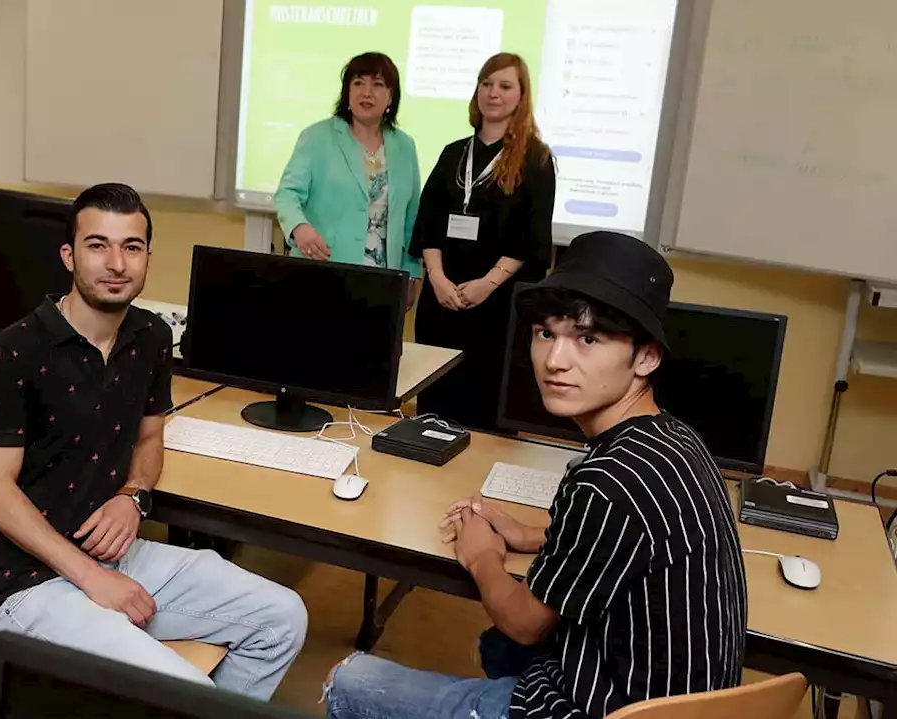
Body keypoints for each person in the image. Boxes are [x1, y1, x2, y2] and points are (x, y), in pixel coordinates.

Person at [323, 232, 748, 719]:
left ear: (647, 357)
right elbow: (634, 538)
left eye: (589, 339)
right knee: (495, 648)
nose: (554, 360)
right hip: (677, 702)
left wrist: (483, 556)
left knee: (352, 681)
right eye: (546, 333)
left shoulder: (606, 482)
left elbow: (527, 623)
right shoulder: (672, 438)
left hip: (602, 710)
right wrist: (530, 534)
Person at [0, 183, 308, 700]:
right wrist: (90, 578)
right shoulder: (14, 351)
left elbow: (150, 434)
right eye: (97, 245)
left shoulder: (150, 336)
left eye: (131, 247)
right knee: (188, 695)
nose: (116, 263)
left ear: (148, 257)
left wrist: (134, 496)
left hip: (117, 555)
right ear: (68, 255)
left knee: (283, 617)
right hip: (31, 583)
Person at [410, 52, 557, 431]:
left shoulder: (536, 160)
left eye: (505, 86)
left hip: (496, 305)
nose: (493, 93)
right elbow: (428, 222)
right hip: (442, 298)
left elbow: (532, 238)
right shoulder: (454, 152)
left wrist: (487, 283)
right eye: (486, 84)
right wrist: (438, 278)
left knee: (485, 410)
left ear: (521, 96)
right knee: (433, 404)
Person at [274, 52, 424, 303]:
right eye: (358, 83)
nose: (367, 92)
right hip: (323, 269)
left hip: (383, 278)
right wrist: (299, 228)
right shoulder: (317, 137)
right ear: (346, 93)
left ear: (391, 96)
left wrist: (412, 272)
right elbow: (287, 195)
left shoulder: (404, 146)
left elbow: (412, 217)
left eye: (377, 85)